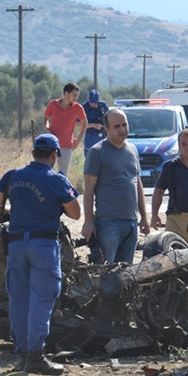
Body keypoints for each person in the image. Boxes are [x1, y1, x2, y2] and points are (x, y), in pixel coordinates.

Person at [0, 134, 81, 375]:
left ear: (32, 154)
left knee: (19, 300)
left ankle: (22, 353)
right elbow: (75, 213)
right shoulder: (56, 180)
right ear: (54, 155)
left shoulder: (13, 176)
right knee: (42, 298)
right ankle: (36, 355)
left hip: (16, 246)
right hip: (43, 245)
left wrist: (13, 210)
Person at [82, 109, 150, 264]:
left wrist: (144, 217)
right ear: (107, 130)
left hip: (131, 222)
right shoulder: (96, 152)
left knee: (125, 275)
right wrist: (88, 222)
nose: (122, 129)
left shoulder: (132, 150)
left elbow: (137, 184)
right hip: (108, 223)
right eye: (117, 126)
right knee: (105, 272)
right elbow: (89, 190)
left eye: (124, 125)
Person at [43, 82, 87, 176]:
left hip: (66, 146)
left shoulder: (78, 108)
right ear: (66, 93)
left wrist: (78, 140)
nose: (76, 98)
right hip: (50, 145)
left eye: (77, 95)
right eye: (74, 95)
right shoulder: (53, 104)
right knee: (46, 173)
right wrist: (47, 128)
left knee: (63, 175)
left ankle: (60, 191)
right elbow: (45, 117)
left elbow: (84, 122)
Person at [82, 89, 109, 157]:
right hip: (90, 136)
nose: (93, 104)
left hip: (103, 136)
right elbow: (78, 124)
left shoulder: (103, 106)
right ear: (88, 98)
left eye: (95, 102)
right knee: (90, 158)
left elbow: (109, 119)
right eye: (92, 102)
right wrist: (93, 125)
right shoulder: (83, 107)